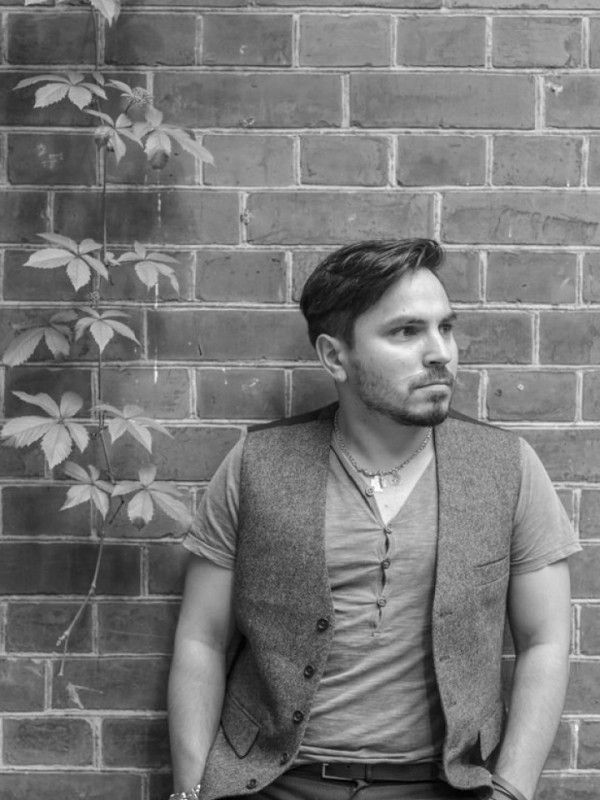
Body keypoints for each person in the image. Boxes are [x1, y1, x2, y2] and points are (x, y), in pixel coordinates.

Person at [168, 239, 580, 800]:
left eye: (445, 328)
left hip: (442, 785)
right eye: (406, 332)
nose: (440, 353)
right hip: (272, 781)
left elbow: (544, 641)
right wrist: (192, 790)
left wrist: (512, 792)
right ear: (335, 356)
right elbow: (202, 638)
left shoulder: (507, 466)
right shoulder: (256, 464)